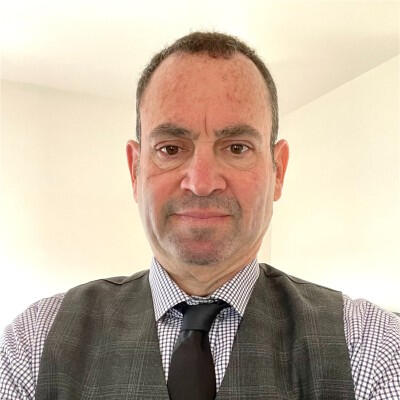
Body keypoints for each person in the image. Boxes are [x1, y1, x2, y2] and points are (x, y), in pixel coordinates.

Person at [1, 32, 399, 400]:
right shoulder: (34, 344)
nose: (202, 182)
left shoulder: (370, 348)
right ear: (135, 170)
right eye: (171, 149)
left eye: (237, 148)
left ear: (278, 170)